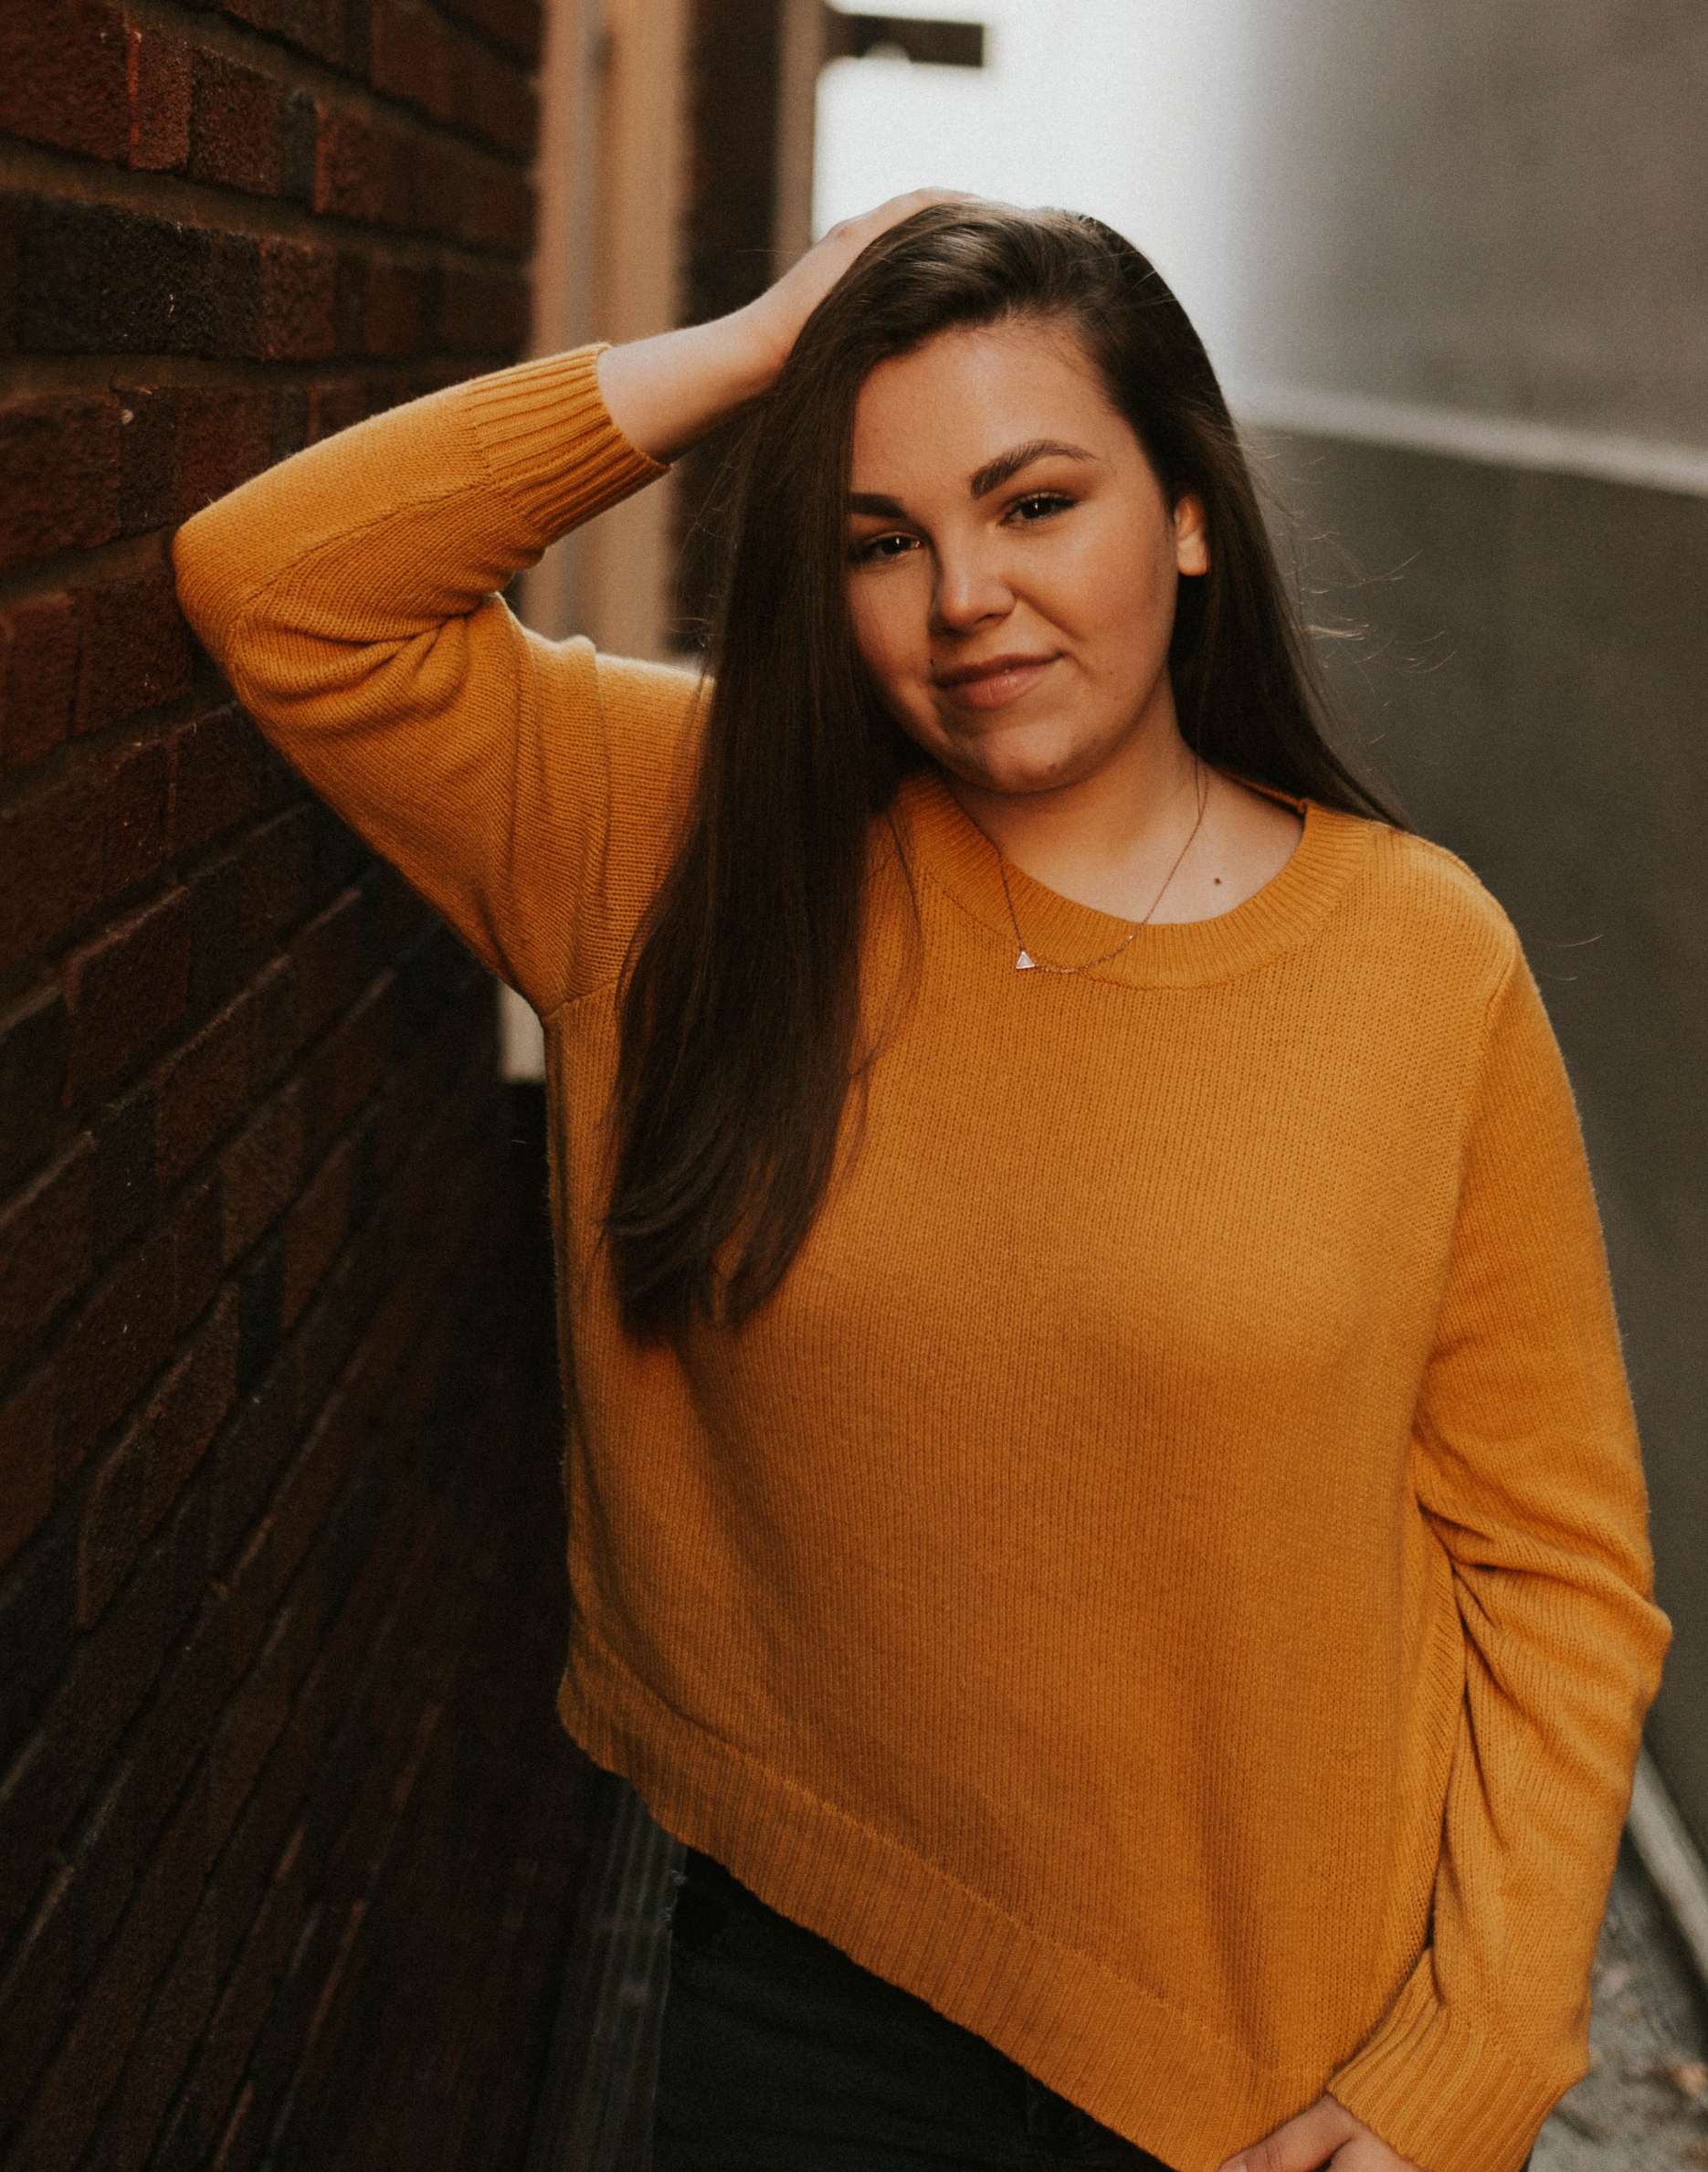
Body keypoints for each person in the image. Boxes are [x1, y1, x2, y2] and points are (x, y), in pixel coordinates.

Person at [174, 195, 1670, 2172]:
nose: (962, 594)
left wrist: (1461, 2065)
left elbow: (1554, 1576)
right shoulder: (679, 839)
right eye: (881, 539)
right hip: (811, 2015)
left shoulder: (1416, 962)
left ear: (1189, 511)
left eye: (1034, 501)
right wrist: (747, 349)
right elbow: (278, 586)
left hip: (1283, 2063)